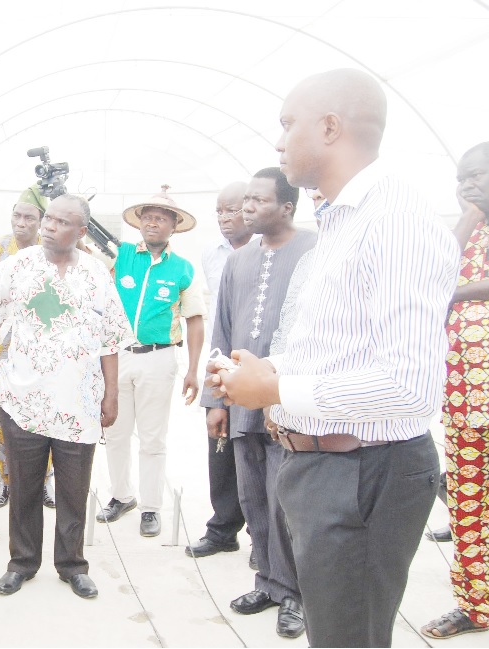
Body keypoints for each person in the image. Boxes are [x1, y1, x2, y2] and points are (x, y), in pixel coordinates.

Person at [209, 69, 459, 648]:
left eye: (287, 124)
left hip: (362, 473)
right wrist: (271, 376)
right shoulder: (343, 221)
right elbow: (343, 347)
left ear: (330, 127)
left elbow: (409, 386)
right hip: (325, 468)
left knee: (350, 640)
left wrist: (276, 392)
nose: (278, 141)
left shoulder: (393, 222)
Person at [0, 194, 131, 600]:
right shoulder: (16, 266)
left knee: (72, 488)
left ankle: (72, 565)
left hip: (79, 403)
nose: (49, 226)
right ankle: (22, 563)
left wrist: (111, 394)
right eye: (48, 218)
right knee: (24, 485)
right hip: (24, 397)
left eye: (62, 222)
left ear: (81, 232)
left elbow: (112, 338)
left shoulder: (98, 274)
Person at [201, 167, 313, 640]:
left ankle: (297, 596)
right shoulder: (238, 260)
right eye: (244, 199)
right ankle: (267, 582)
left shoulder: (314, 252)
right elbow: (222, 330)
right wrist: (216, 399)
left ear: (287, 207)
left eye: (258, 201)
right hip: (240, 402)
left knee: (287, 499)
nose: (246, 208)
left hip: (289, 401)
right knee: (252, 496)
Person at [96, 187, 205, 538]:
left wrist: (192, 369)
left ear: (174, 226)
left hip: (159, 359)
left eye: (161, 218)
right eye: (148, 217)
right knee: (115, 432)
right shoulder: (122, 256)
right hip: (118, 358)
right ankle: (121, 496)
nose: (153, 223)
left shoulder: (183, 269)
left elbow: (195, 319)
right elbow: (91, 245)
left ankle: (151, 507)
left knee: (153, 439)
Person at [420, 142, 489, 640]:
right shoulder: (459, 235)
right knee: (468, 510)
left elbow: (441, 290)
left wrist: (452, 292)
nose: (467, 186)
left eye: (478, 177)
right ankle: (475, 606)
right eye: (461, 178)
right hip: (464, 404)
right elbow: (425, 285)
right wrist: (465, 222)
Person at [186, 181, 251, 563]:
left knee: (259, 451)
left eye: (234, 209)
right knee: (220, 445)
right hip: (222, 358)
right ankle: (223, 529)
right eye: (220, 211)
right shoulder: (212, 252)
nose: (226, 218)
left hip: (261, 364)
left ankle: (265, 536)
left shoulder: (275, 250)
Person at [0, 185, 55, 509]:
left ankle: (43, 482)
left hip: (44, 345)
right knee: (6, 418)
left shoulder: (51, 249)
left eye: (29, 217)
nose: (21, 222)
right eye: (17, 215)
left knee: (45, 413)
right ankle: (6, 481)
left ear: (41, 222)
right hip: (6, 346)